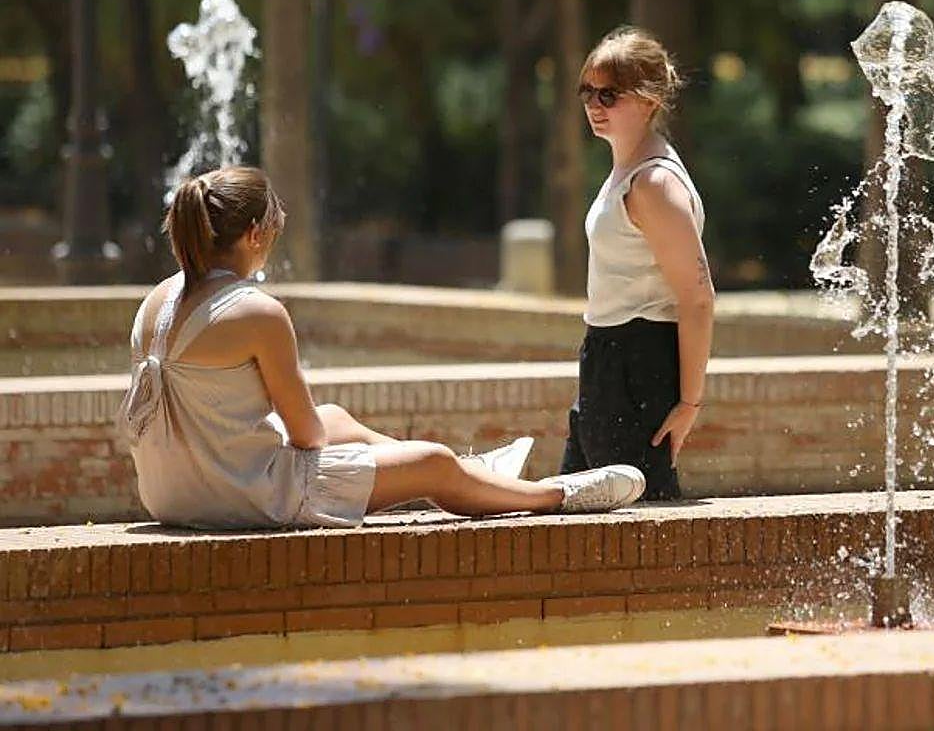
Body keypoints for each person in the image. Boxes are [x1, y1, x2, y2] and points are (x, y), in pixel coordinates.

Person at [117, 166, 644, 530]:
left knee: (337, 415)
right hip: (239, 495)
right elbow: (307, 435)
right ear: (254, 235)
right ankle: (555, 495)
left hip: (170, 493)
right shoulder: (256, 311)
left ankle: (476, 472)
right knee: (432, 465)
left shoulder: (156, 300)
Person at [559, 27, 715, 501]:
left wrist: (689, 402)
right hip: (607, 360)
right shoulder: (627, 170)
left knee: (637, 522)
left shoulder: (653, 184)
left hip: (637, 362)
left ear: (649, 100)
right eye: (587, 91)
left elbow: (698, 299)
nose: (594, 104)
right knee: (579, 520)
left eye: (609, 93)